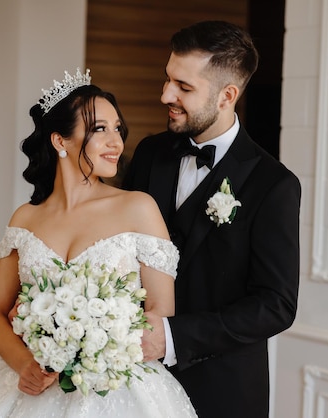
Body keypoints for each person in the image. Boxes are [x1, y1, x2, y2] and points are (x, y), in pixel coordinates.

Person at [0, 69, 197, 417]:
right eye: (100, 129)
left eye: (118, 129)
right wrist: (24, 363)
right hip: (31, 386)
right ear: (60, 141)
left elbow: (161, 311)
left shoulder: (138, 208)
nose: (116, 142)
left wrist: (95, 344)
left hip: (118, 390)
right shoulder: (25, 218)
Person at [122, 21, 301, 417]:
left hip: (223, 390)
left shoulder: (274, 185)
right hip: (132, 384)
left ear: (227, 96)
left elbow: (276, 305)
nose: (165, 94)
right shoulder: (150, 153)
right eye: (168, 79)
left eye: (184, 88)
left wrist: (171, 337)